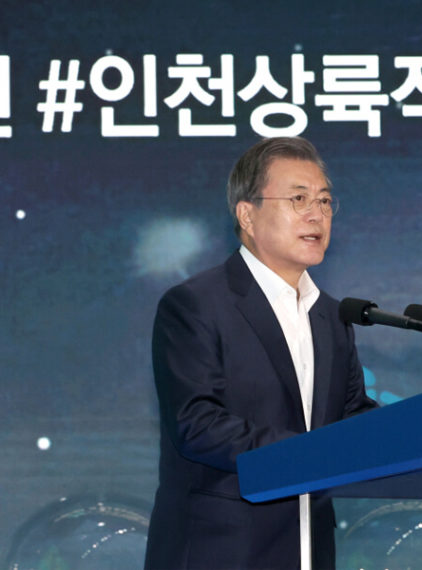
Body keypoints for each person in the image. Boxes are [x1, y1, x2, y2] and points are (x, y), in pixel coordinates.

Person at [144, 137, 379, 570]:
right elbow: (197, 424)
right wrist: (312, 452)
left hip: (311, 553)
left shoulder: (333, 316)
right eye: (298, 198)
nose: (317, 214)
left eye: (325, 202)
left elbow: (351, 417)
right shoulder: (195, 304)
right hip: (222, 554)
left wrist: (410, 433)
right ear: (247, 214)